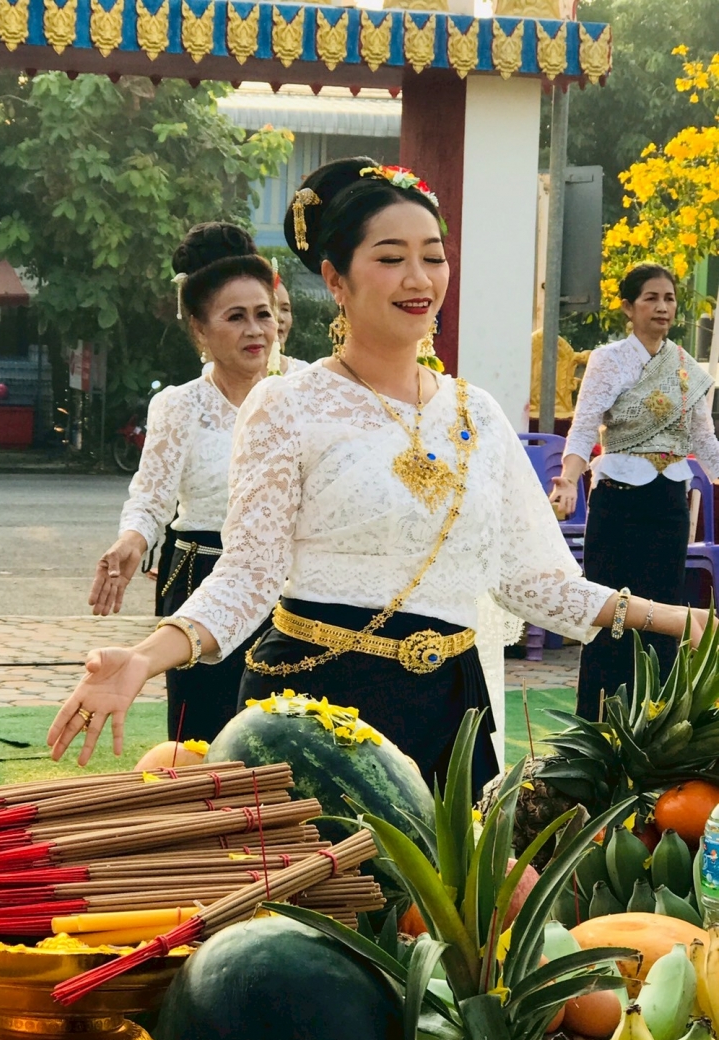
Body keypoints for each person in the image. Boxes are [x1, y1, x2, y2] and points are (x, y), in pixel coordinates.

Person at [52, 161, 712, 786]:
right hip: (314, 711)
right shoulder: (288, 404)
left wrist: (684, 620)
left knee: (448, 873)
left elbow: (530, 580)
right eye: (391, 258)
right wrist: (144, 656)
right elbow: (248, 577)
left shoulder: (477, 413)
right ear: (336, 280)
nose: (419, 279)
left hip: (450, 711)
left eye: (433, 256)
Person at [88, 221, 304, 743]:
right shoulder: (179, 406)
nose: (256, 330)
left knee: (288, 735)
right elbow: (151, 498)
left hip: (291, 584)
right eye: (235, 317)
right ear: (200, 330)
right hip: (199, 577)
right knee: (202, 737)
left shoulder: (308, 388)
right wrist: (131, 540)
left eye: (264, 315)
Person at [550, 262, 719, 720]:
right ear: (628, 307)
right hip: (619, 500)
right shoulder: (609, 359)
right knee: (614, 614)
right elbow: (585, 424)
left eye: (669, 299)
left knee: (665, 615)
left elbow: (704, 440)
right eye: (651, 298)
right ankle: (600, 726)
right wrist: (568, 478)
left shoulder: (685, 367)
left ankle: (653, 726)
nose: (662, 307)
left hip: (669, 505)